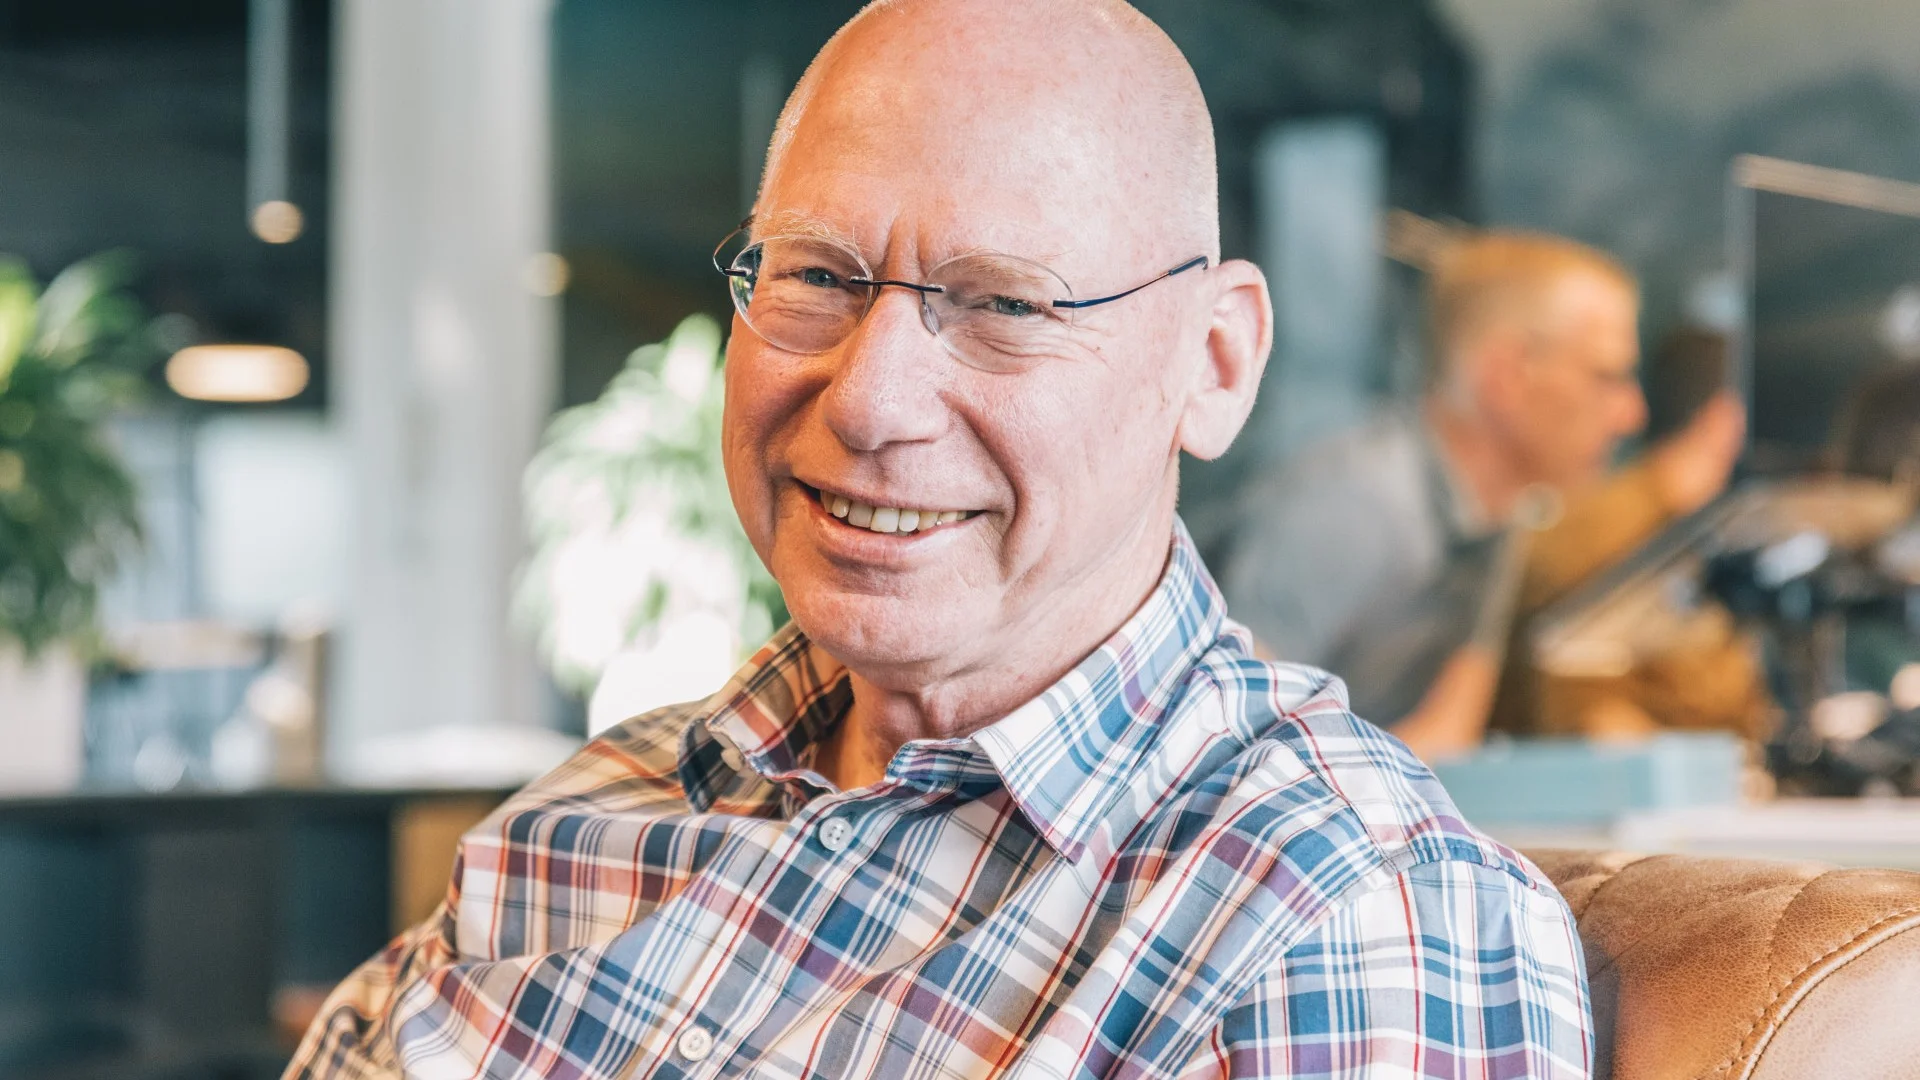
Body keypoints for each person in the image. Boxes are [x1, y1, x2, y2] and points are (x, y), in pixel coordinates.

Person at [287, 3, 1592, 1076]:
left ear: (1214, 363)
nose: (868, 399)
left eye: (1002, 305)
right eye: (816, 275)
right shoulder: (587, 812)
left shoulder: (1332, 916)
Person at [1223, 233, 1746, 762]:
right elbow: (1228, 743)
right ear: (1507, 376)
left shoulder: (1496, 517)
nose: (1631, 414)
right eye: (1606, 376)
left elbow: (1449, 735)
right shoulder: (1354, 506)